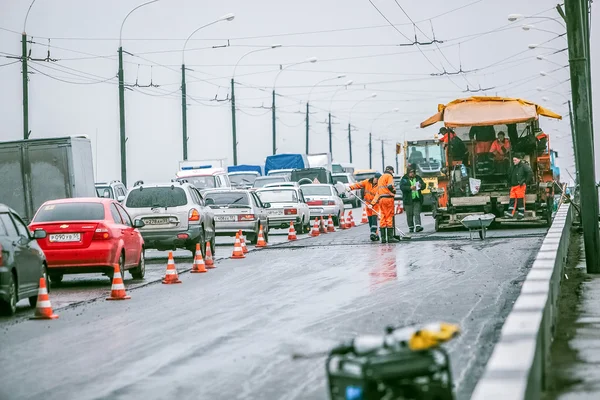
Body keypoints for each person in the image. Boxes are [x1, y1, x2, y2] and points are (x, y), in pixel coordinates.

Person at [346, 173, 381, 241]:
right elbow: (358, 185)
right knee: (370, 220)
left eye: (379, 180)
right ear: (374, 178)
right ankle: (375, 234)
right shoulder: (367, 182)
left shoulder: (379, 186)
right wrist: (350, 187)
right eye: (377, 179)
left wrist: (372, 204)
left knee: (374, 220)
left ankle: (373, 233)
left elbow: (377, 195)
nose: (377, 181)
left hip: (375, 205)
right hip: (368, 204)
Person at [371, 166, 399, 243]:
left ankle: (383, 238)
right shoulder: (389, 176)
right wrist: (393, 191)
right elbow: (390, 186)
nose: (392, 173)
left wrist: (372, 203)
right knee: (389, 216)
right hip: (388, 198)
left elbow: (378, 192)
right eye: (392, 171)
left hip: (381, 199)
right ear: (390, 170)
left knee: (383, 217)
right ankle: (390, 237)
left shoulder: (380, 178)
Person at [505, 153, 533, 219]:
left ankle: (521, 213)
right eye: (513, 160)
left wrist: (525, 182)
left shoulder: (523, 166)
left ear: (519, 160)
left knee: (520, 200)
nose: (514, 161)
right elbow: (509, 175)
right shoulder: (513, 167)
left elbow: (530, 172)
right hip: (513, 186)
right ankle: (510, 213)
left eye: (515, 160)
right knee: (512, 200)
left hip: (520, 186)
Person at [400, 165, 426, 232]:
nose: (412, 174)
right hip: (408, 200)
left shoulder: (418, 178)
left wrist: (421, 186)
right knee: (409, 214)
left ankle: (418, 226)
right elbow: (402, 187)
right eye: (411, 172)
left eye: (413, 172)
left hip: (417, 199)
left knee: (417, 213)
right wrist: (409, 188)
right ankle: (411, 227)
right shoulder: (404, 179)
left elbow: (424, 185)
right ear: (408, 173)